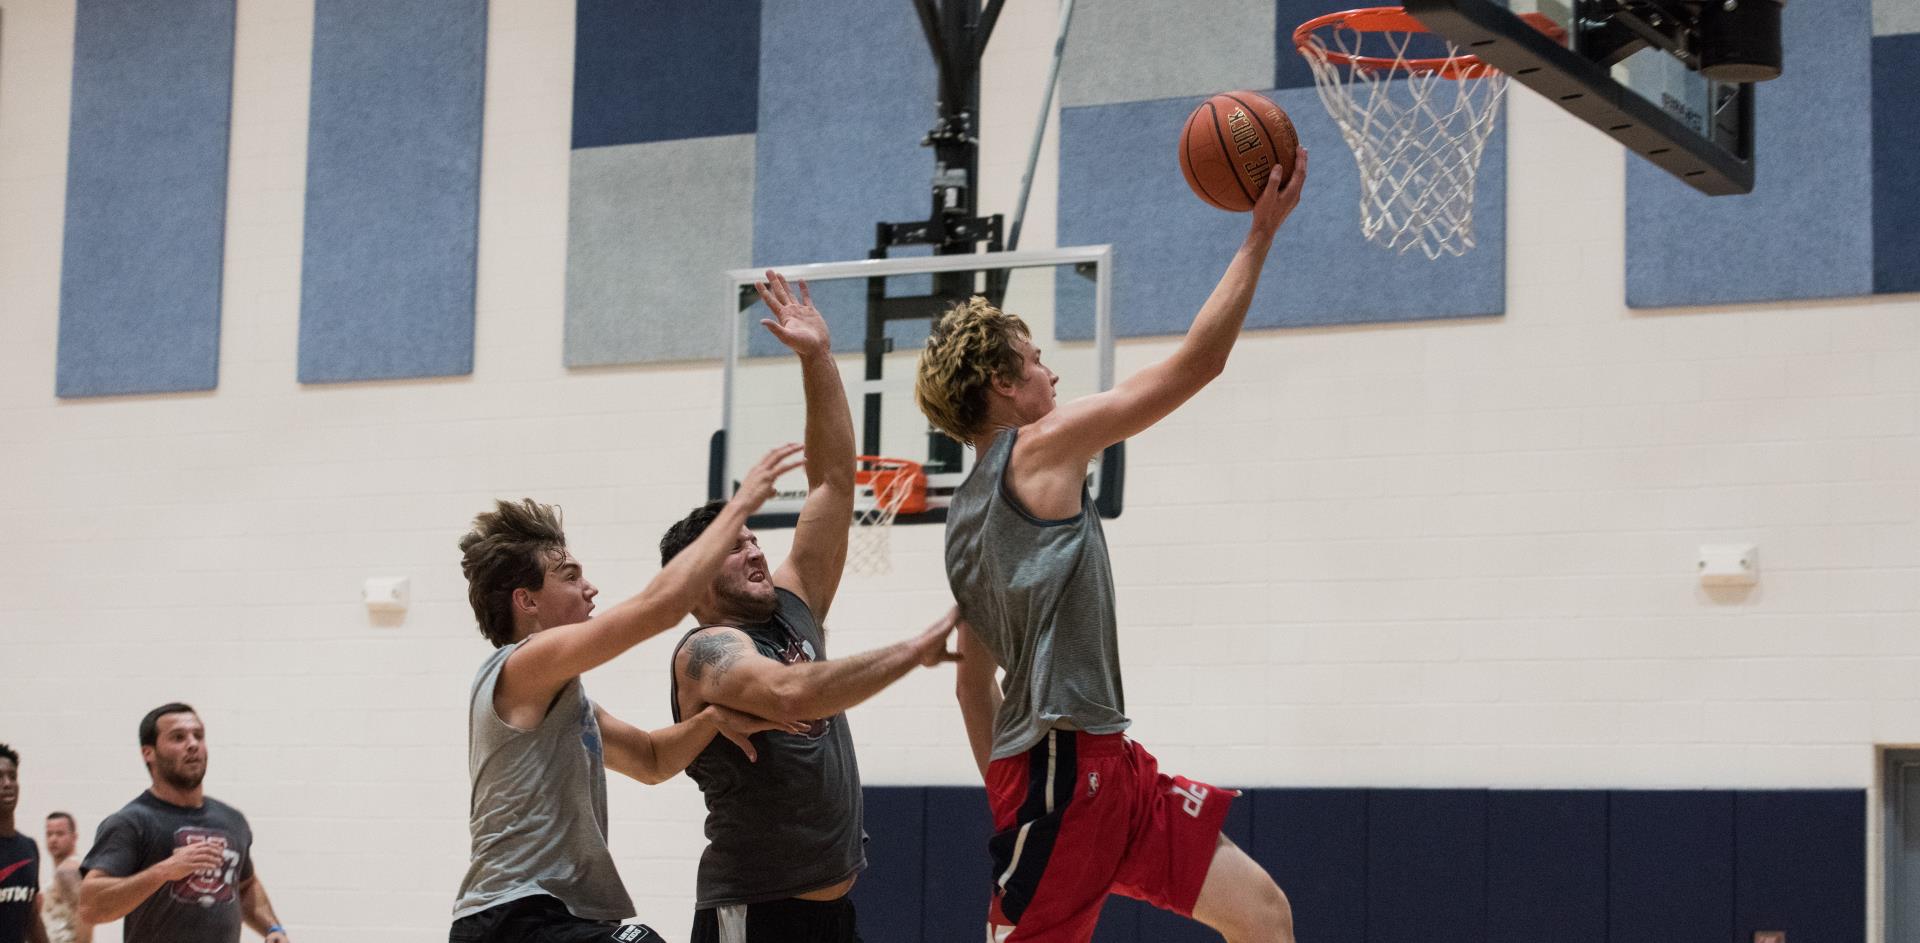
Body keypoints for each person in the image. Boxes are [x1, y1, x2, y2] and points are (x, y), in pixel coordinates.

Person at [914, 150, 1311, 942]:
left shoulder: (958, 524)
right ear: (1000, 381)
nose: (1051, 376)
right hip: (1065, 773)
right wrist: (1260, 234)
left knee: (1263, 915)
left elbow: (970, 686)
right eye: (1033, 362)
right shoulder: (1040, 446)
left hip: (1099, 763)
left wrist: (1011, 790)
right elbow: (1197, 365)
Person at [661, 272, 959, 943]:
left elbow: (829, 482)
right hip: (756, 911)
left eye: (753, 538)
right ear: (696, 582)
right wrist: (912, 651)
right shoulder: (707, 652)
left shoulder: (793, 605)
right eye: (735, 549)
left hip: (829, 913)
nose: (757, 552)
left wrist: (819, 359)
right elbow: (792, 693)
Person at [450, 437, 805, 943]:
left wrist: (712, 719)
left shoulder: (562, 702)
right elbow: (659, 607)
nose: (589, 588)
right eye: (570, 577)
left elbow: (652, 759)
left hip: (555, 920)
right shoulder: (521, 665)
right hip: (512, 919)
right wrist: (740, 506)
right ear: (526, 601)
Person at [78, 705, 289, 943]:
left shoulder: (231, 820)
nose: (193, 744)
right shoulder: (131, 822)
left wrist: (273, 928)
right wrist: (163, 871)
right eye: (178, 737)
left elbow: (245, 885)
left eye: (198, 735)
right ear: (148, 753)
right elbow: (90, 906)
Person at [0, 744, 49, 943]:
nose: (7, 783)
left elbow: (31, 918)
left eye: (12, 776)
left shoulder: (28, 848)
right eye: (0, 777)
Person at [41, 813, 88, 943]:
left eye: (60, 834)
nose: (53, 839)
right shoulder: (65, 869)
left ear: (74, 837)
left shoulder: (68, 871)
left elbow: (85, 916)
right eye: (49, 834)